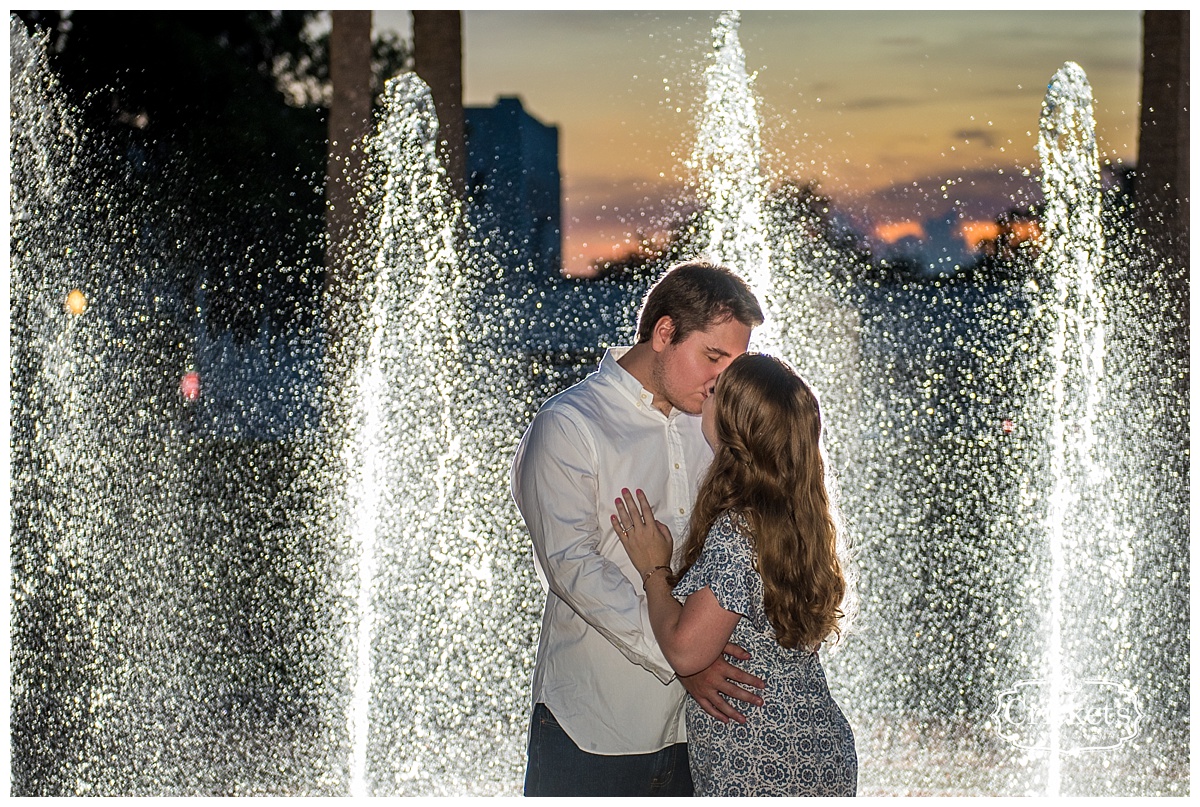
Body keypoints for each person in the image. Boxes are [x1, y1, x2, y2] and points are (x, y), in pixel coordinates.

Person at [511, 260, 766, 796]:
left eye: (733, 363)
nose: (721, 379)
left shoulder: (716, 428)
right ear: (665, 332)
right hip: (595, 729)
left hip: (701, 735)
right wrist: (682, 659)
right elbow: (573, 570)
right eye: (712, 356)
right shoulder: (570, 424)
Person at [611, 352, 857, 796]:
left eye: (717, 393)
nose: (707, 391)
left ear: (734, 428)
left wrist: (654, 569)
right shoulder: (802, 522)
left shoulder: (738, 530)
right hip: (818, 750)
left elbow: (686, 652)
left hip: (759, 757)